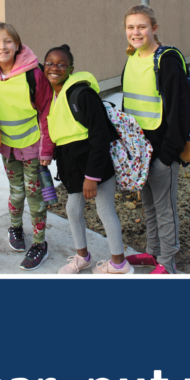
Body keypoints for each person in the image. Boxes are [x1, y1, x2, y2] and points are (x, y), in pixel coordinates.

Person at [44, 44, 132, 275]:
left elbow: (100, 135)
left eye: (61, 64)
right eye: (49, 63)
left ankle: (119, 263)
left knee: (105, 211)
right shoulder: (56, 94)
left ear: (71, 68)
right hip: (73, 165)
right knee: (73, 209)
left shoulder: (82, 94)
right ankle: (82, 257)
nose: (54, 68)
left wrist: (92, 177)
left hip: (96, 165)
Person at [120, 4, 190, 275]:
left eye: (141, 26)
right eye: (130, 27)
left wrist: (168, 155)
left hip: (162, 150)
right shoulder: (133, 57)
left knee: (165, 208)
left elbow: (179, 110)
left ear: (154, 28)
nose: (135, 32)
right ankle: (152, 253)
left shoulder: (167, 60)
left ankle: (168, 261)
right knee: (148, 203)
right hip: (139, 150)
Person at [0, 22, 54, 270]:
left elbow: (47, 109)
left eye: (7, 41)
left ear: (17, 44)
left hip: (32, 147)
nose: (2, 47)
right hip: (8, 148)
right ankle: (15, 228)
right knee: (16, 192)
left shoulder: (33, 72)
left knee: (35, 196)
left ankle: (40, 243)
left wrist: (47, 148)